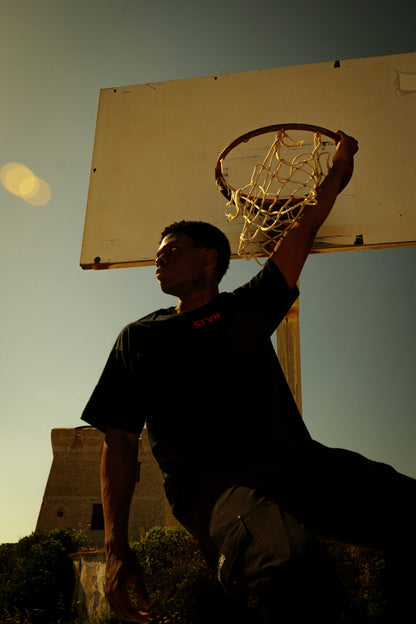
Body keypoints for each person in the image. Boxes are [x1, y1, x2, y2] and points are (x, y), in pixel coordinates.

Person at [81, 132, 416, 623]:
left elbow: (303, 227)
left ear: (209, 259)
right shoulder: (140, 337)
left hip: (297, 466)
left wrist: (338, 168)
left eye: (172, 249)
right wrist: (115, 546)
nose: (159, 257)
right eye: (159, 252)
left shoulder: (247, 308)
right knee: (287, 562)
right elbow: (119, 439)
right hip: (214, 490)